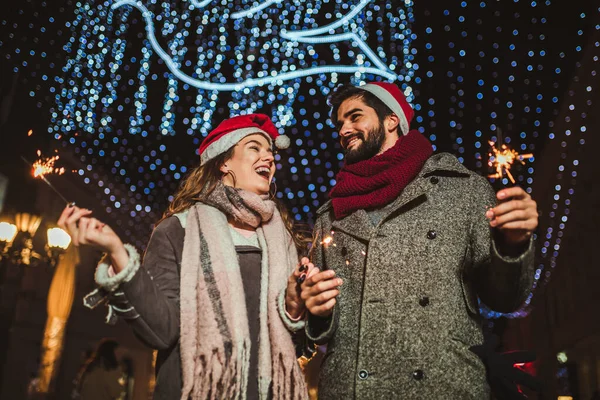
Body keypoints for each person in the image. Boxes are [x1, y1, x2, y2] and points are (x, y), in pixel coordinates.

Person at [295, 82, 538, 399]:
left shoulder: (463, 190)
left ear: (391, 119)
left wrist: (513, 244)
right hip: (350, 388)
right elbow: (322, 316)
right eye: (340, 123)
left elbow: (505, 298)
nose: (344, 129)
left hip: (445, 385)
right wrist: (316, 308)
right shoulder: (331, 213)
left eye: (355, 117)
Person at [58, 114, 309, 400]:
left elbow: (297, 346)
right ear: (224, 162)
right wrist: (117, 251)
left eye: (270, 152)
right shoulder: (179, 230)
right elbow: (160, 331)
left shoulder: (284, 242)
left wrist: (296, 307)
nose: (269, 157)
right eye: (254, 147)